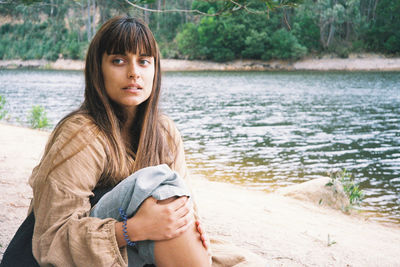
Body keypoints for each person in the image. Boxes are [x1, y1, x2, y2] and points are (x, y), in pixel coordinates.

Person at [24, 16, 211, 266]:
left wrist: (192, 228)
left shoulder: (165, 132)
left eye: (144, 61)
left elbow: (186, 209)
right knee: (159, 187)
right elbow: (52, 236)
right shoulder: (81, 133)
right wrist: (134, 229)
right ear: (98, 69)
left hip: (142, 249)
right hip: (79, 254)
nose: (134, 72)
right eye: (119, 61)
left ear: (155, 70)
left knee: (172, 201)